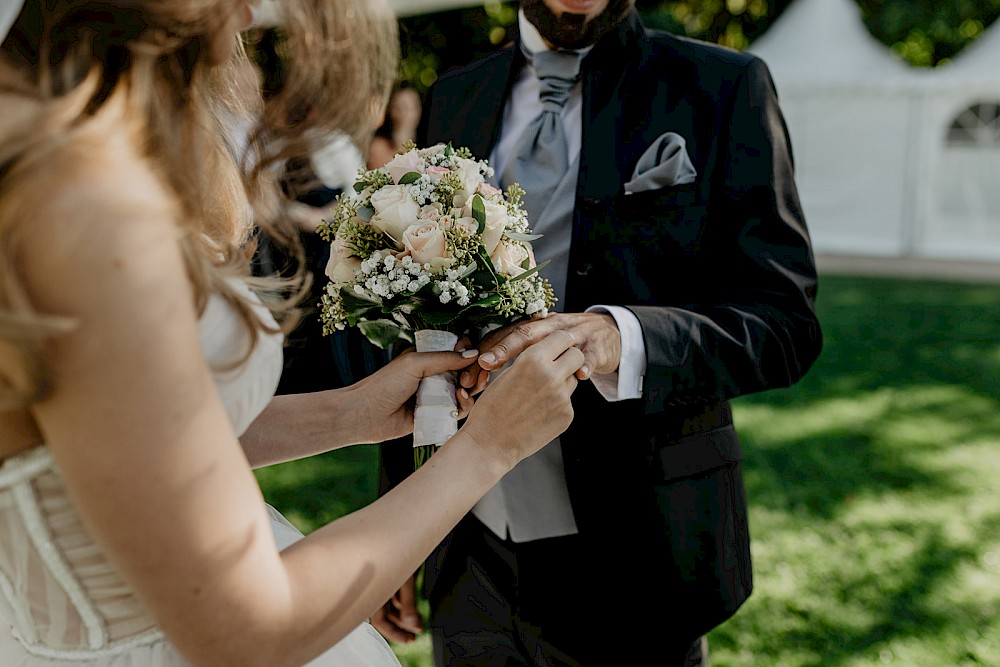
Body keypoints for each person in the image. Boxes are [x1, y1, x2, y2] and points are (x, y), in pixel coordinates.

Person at [0, 1, 585, 666]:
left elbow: (124, 448)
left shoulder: (44, 159)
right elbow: (247, 627)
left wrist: (347, 413)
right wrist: (488, 447)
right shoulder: (87, 220)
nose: (252, 8)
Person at [372, 1, 824, 665]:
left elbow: (785, 321)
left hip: (634, 558)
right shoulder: (454, 96)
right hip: (466, 550)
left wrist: (623, 336)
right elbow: (420, 322)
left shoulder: (724, 86)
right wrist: (397, 528)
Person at [366, 83, 422, 169]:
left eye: (407, 108)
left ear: (418, 110)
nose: (403, 114)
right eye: (398, 108)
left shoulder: (429, 150)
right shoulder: (377, 148)